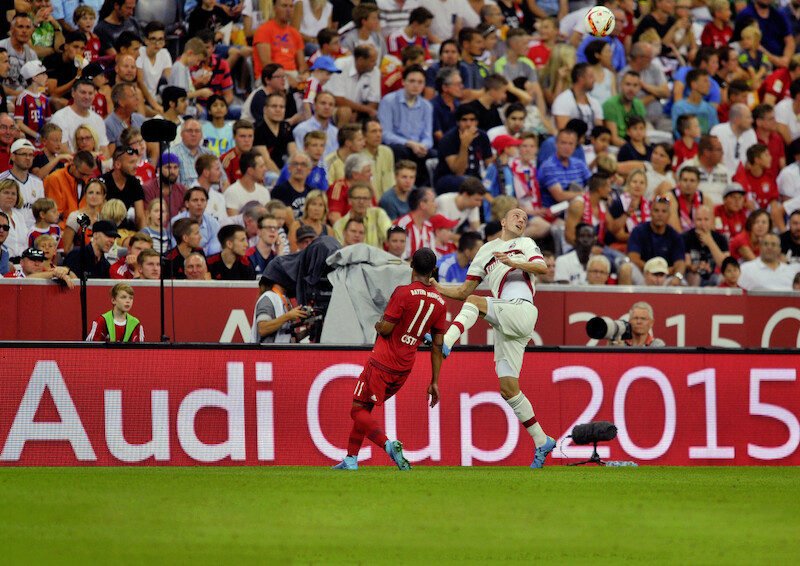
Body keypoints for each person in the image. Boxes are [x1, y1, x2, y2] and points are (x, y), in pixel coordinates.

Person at [428, 207, 555, 468]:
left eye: (525, 218)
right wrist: (439, 288)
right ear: (503, 221)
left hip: (522, 309)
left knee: (477, 302)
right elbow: (464, 291)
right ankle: (542, 441)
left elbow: (541, 268)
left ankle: (446, 342)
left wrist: (514, 263)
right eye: (517, 216)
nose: (521, 220)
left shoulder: (525, 244)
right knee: (508, 389)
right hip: (506, 322)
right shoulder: (486, 251)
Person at [331, 248, 447, 471]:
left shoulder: (403, 293)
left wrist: (378, 324)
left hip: (382, 363)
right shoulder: (440, 302)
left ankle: (388, 445)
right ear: (434, 270)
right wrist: (434, 381)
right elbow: (438, 345)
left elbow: (386, 329)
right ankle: (351, 459)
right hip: (403, 369)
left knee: (357, 410)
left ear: (411, 264)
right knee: (365, 408)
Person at [377, 64, 433, 185]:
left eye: (420, 82)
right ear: (403, 82)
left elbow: (428, 136)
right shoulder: (389, 101)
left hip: (417, 148)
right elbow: (385, 134)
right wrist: (410, 143)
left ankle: (424, 189)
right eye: (412, 81)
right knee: (400, 150)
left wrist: (423, 146)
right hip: (398, 145)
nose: (416, 85)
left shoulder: (426, 106)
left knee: (433, 154)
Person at [433, 104, 493, 194]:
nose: (468, 124)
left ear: (477, 122)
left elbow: (489, 165)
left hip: (474, 178)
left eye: (472, 120)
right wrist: (464, 145)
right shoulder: (448, 139)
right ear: (457, 122)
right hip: (448, 178)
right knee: (470, 183)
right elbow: (458, 171)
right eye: (464, 120)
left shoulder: (482, 136)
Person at [627, 197, 687, 286]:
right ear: (650, 213)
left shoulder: (675, 236)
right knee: (626, 268)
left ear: (669, 215)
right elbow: (633, 258)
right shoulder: (638, 231)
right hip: (644, 274)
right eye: (656, 211)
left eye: (664, 211)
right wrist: (654, 271)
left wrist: (677, 277)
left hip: (665, 277)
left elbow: (680, 263)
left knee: (682, 283)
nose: (660, 214)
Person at [51, 78, 109, 155]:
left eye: (90, 93)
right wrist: (87, 159)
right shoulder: (60, 117)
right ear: (73, 93)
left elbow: (104, 150)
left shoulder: (98, 119)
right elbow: (62, 150)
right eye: (83, 92)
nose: (87, 97)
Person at [254, 0, 308, 83]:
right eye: (284, 6)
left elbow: (302, 65)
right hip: (270, 76)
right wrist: (285, 77)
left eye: (291, 6)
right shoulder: (264, 29)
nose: (288, 10)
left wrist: (305, 75)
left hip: (293, 74)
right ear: (274, 8)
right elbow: (267, 64)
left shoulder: (295, 33)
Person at [536, 128, 591, 208]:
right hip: (555, 212)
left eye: (570, 144)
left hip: (579, 208)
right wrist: (586, 194)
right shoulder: (548, 166)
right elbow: (559, 196)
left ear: (575, 146)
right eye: (563, 143)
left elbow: (593, 183)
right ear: (556, 144)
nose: (567, 147)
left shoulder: (579, 164)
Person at [251, 274, 310, 344]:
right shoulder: (268, 298)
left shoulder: (284, 299)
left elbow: (286, 337)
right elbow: (262, 329)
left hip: (282, 350)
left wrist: (307, 332)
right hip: (268, 351)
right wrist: (288, 316)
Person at [332, 182, 392, 249]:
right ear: (349, 200)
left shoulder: (378, 214)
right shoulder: (339, 225)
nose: (361, 202)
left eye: (365, 198)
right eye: (357, 198)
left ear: (370, 201)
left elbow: (391, 237)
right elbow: (340, 251)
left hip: (376, 255)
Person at [683, 205, 730, 287]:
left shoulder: (721, 238)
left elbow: (726, 266)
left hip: (713, 276)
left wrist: (710, 242)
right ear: (694, 221)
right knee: (694, 277)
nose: (703, 224)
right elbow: (686, 264)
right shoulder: (686, 237)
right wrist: (697, 268)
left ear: (712, 220)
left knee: (726, 278)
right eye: (699, 219)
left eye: (706, 219)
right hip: (693, 275)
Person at [100, 145, 145, 229]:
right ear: (117, 164)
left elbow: (140, 217)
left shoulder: (135, 183)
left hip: (125, 230)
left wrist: (143, 235)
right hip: (104, 228)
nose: (136, 166)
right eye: (131, 162)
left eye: (136, 162)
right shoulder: (102, 182)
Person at [170, 187, 221, 257]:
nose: (199, 204)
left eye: (203, 200)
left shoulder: (214, 224)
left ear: (206, 203)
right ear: (187, 204)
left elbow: (214, 250)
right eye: (195, 200)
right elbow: (175, 248)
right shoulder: (176, 222)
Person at [0, 138, 44, 217]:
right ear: (13, 156)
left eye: (31, 155)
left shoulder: (38, 183)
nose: (28, 158)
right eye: (24, 154)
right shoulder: (2, 180)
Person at [61, 176, 106, 253]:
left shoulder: (104, 218)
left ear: (103, 196)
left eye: (98, 193)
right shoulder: (74, 217)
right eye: (90, 193)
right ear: (85, 195)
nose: (94, 196)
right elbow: (66, 249)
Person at [671, 69, 719, 139]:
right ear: (694, 84)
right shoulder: (679, 107)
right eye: (705, 81)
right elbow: (678, 134)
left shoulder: (710, 108)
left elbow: (715, 131)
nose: (709, 85)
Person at [393, 187, 437, 260]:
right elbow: (398, 257)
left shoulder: (429, 226)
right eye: (433, 201)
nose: (436, 205)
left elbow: (433, 256)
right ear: (422, 204)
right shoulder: (402, 225)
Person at [224, 151, 270, 215]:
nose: (265, 169)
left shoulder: (264, 191)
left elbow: (268, 217)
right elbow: (233, 219)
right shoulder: (232, 192)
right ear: (250, 171)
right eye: (261, 167)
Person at [142, 152, 187, 218]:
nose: (172, 172)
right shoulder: (148, 189)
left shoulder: (182, 189)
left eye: (175, 167)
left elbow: (186, 215)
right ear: (159, 170)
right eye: (168, 167)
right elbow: (147, 216)